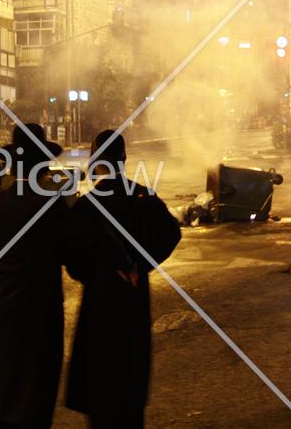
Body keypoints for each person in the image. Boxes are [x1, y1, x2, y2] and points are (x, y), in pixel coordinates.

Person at [0, 123, 102, 429]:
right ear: (44, 165)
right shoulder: (52, 206)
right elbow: (80, 249)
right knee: (33, 399)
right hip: (39, 314)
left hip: (1, 313)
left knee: (0, 398)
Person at [65, 129, 182, 429]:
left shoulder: (88, 205)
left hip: (100, 299)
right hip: (135, 296)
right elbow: (172, 232)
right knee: (131, 376)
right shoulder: (143, 196)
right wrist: (142, 265)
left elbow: (74, 260)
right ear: (124, 160)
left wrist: (92, 273)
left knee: (101, 381)